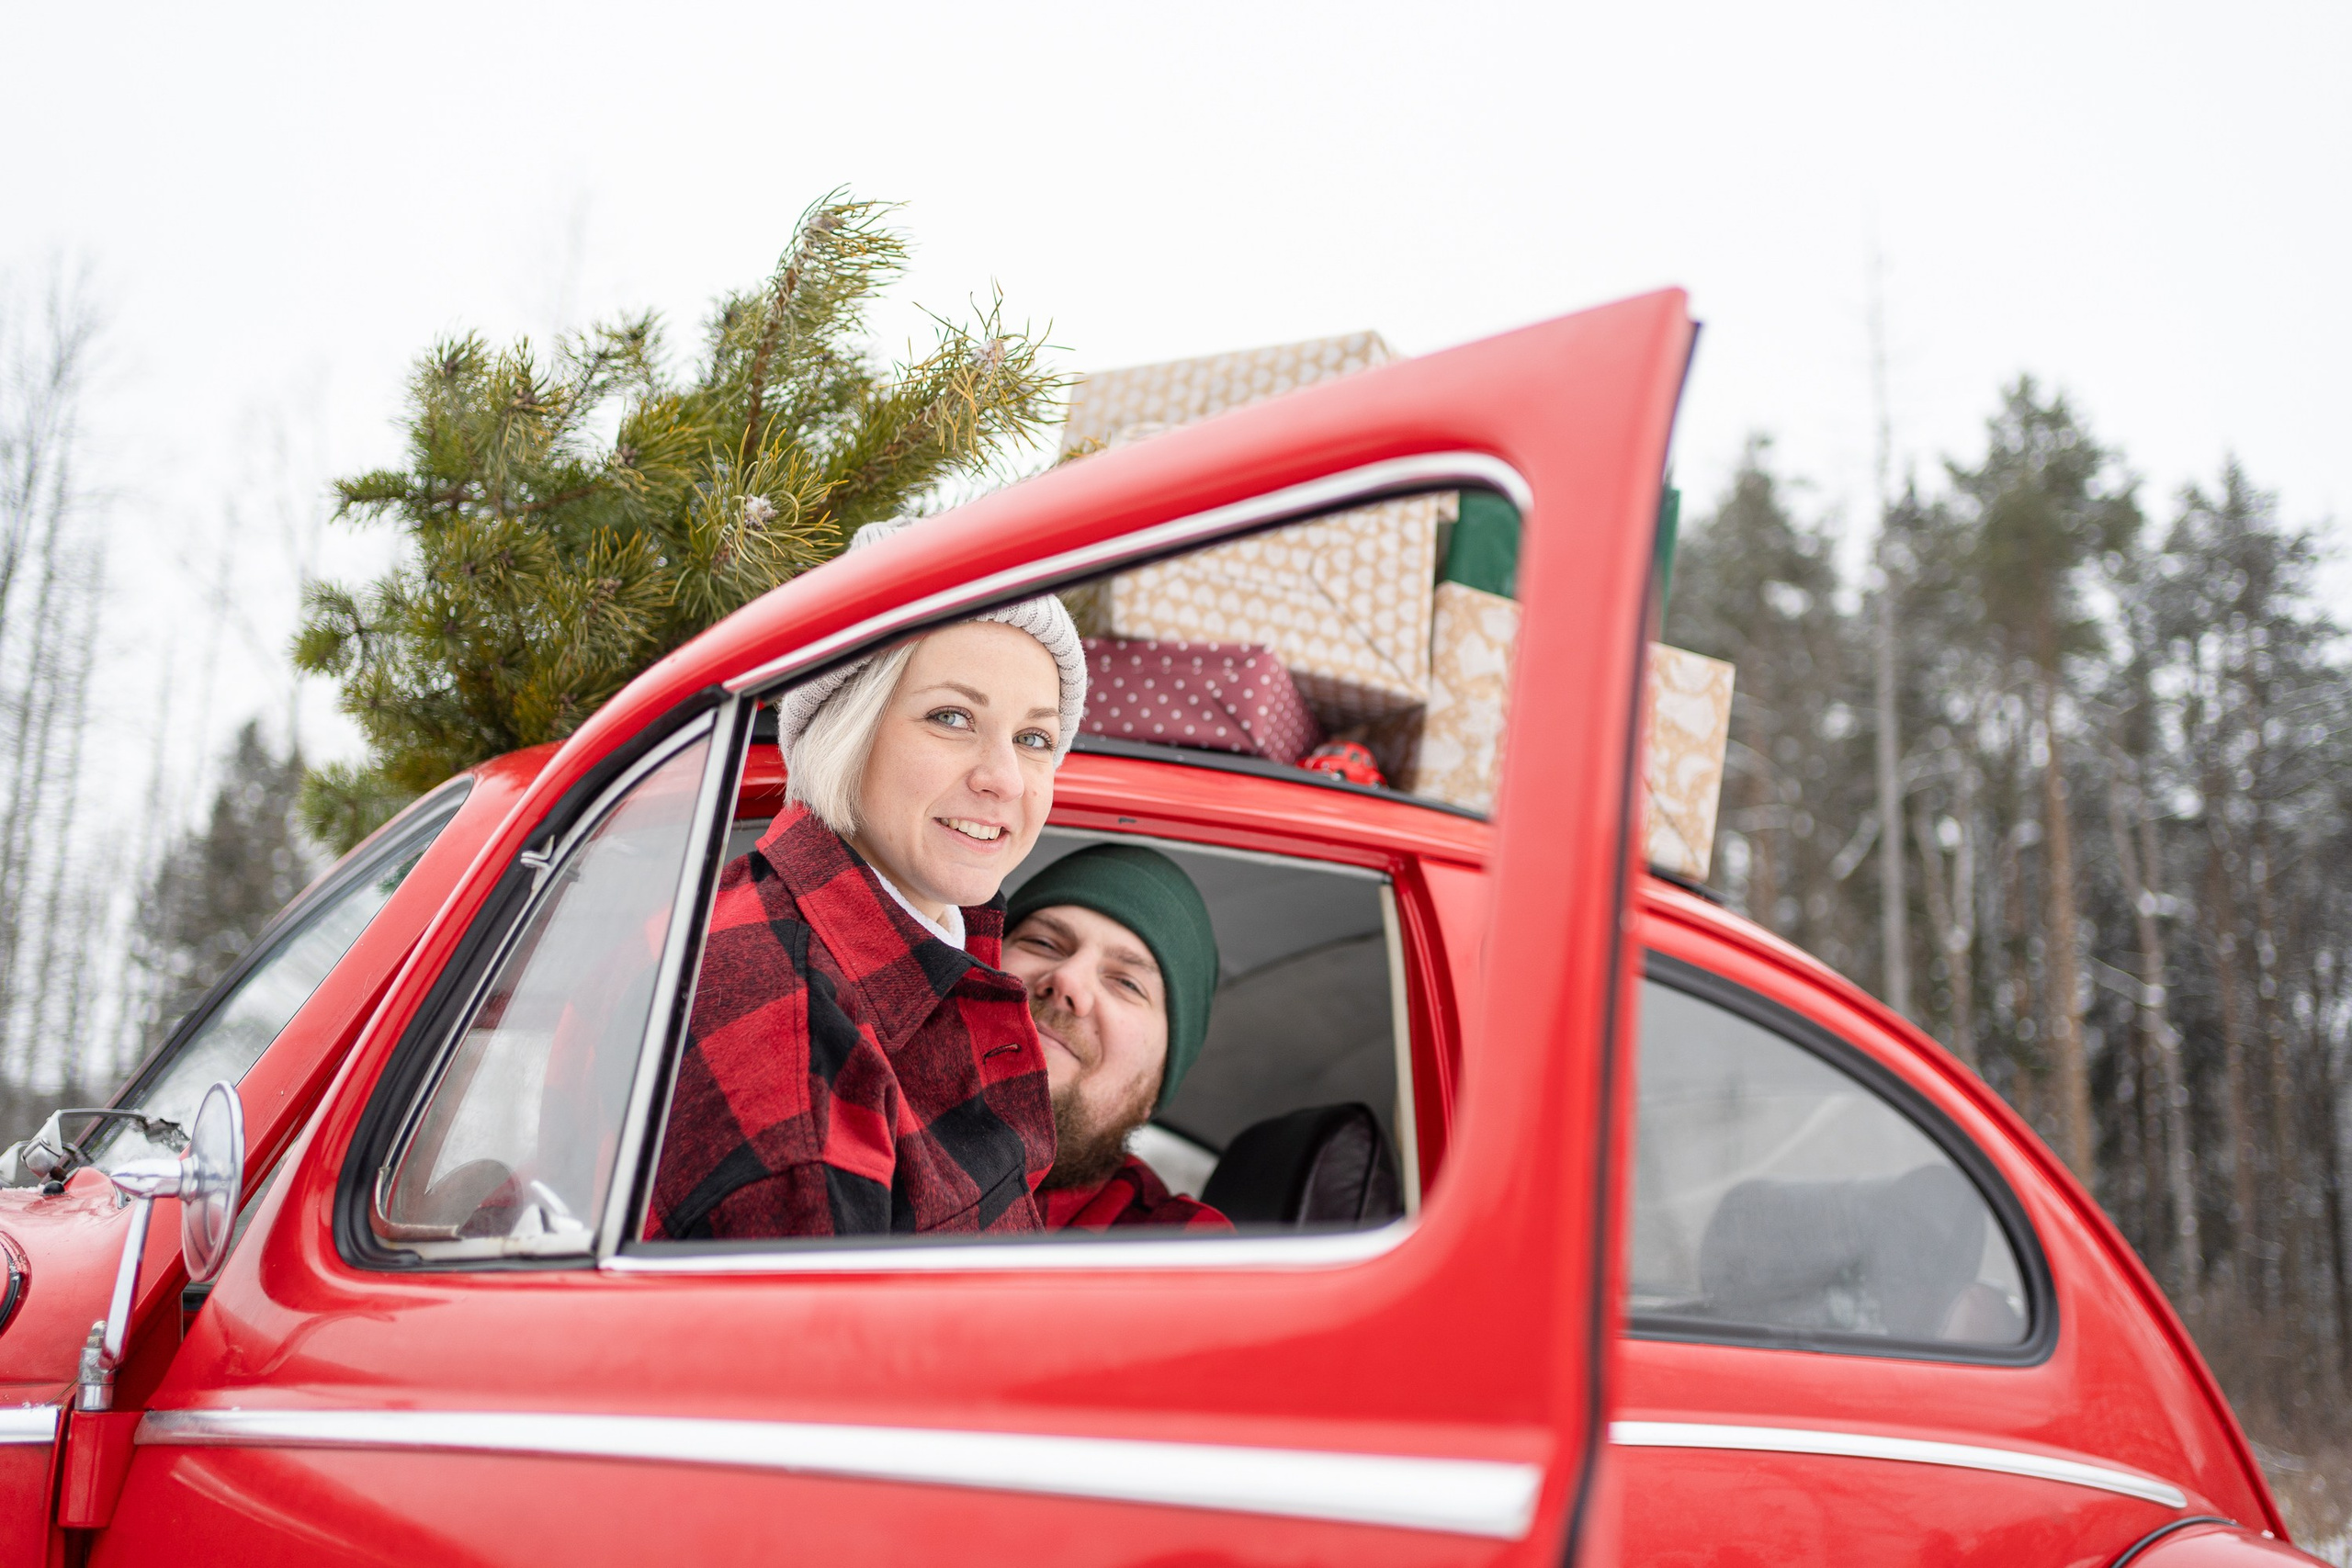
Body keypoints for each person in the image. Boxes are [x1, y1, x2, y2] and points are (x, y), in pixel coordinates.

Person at [645, 519, 1086, 1240]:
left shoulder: (932, 947)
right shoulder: (791, 1033)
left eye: (1034, 737)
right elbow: (824, 1351)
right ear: (847, 726)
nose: (1004, 778)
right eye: (951, 717)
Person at [1001, 843, 1232, 1232]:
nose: (1067, 980)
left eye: (1126, 983)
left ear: (1156, 1089)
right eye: (1042, 943)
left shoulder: (1180, 1249)